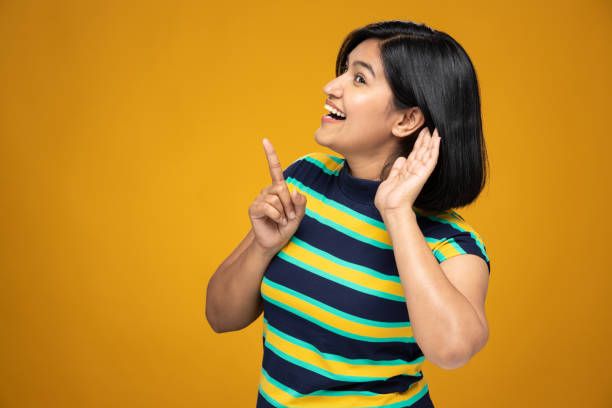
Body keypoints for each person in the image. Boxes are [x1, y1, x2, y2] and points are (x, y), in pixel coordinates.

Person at [206, 20, 491, 408]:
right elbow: (220, 316)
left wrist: (396, 212)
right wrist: (261, 246)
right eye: (344, 71)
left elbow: (453, 350)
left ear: (407, 119)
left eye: (359, 79)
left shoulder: (449, 242)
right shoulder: (305, 180)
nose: (331, 87)